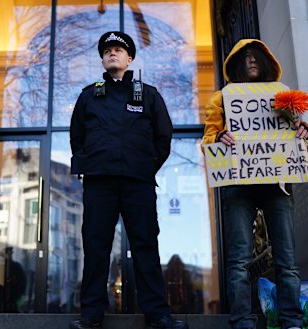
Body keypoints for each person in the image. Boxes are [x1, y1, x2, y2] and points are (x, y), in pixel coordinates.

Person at [69, 31, 187, 329]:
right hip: (99, 184)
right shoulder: (88, 96)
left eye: (118, 50)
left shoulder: (148, 94)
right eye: (107, 50)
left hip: (138, 183)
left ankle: (157, 314)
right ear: (102, 58)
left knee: (145, 246)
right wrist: (88, 166)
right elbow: (77, 137)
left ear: (129, 58)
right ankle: (91, 315)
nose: (112, 53)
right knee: (96, 248)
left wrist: (147, 168)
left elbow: (164, 136)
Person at [202, 39, 308, 329]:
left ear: (266, 62)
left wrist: (302, 130)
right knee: (238, 260)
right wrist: (217, 138)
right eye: (245, 57)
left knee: (287, 259)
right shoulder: (221, 98)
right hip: (239, 184)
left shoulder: (284, 95)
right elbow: (207, 139)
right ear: (236, 64)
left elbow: (294, 133)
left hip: (277, 184)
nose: (251, 60)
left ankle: (292, 322)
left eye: (256, 56)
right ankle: (242, 322)